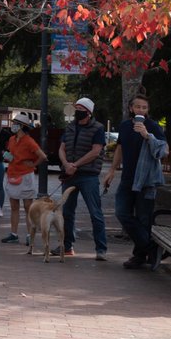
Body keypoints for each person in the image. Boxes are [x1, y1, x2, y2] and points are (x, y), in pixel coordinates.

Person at [104, 93, 169, 269]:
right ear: (131, 109)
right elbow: (120, 148)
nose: (141, 110)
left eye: (144, 107)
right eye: (138, 107)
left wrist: (147, 135)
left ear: (147, 110)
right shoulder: (125, 126)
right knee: (122, 212)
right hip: (127, 179)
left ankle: (139, 256)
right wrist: (111, 171)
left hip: (146, 181)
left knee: (143, 219)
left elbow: (163, 151)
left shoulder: (153, 127)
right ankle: (151, 246)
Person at [58, 97, 109, 259]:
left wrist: (76, 165)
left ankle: (101, 249)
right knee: (66, 212)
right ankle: (66, 246)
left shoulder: (98, 128)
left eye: (80, 109)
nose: (76, 112)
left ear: (88, 112)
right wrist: (66, 165)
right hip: (70, 175)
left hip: (89, 176)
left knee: (95, 213)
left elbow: (96, 151)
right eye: (76, 108)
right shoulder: (70, 127)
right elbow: (62, 148)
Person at [0, 113, 46, 244]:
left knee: (28, 207)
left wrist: (33, 164)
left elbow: (42, 156)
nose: (12, 125)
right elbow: (11, 154)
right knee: (14, 206)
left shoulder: (29, 141)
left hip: (26, 176)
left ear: (21, 126)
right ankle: (13, 234)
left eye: (15, 123)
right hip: (12, 174)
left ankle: (29, 235)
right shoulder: (12, 139)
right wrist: (7, 156)